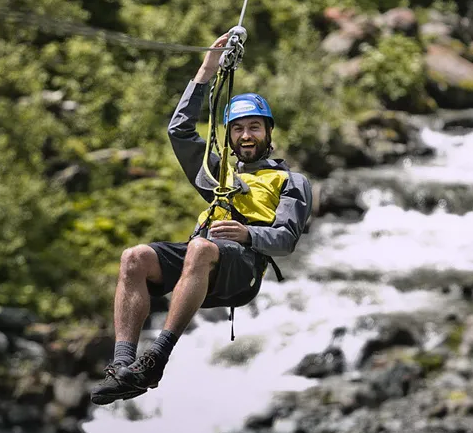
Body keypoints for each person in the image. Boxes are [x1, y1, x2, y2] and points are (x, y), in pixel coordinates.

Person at [89, 31, 313, 405]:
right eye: (238, 128)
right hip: (203, 262)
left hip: (242, 270)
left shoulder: (291, 181)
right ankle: (123, 366)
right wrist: (206, 70)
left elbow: (286, 239)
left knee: (200, 249)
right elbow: (179, 131)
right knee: (134, 258)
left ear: (268, 132)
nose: (246, 135)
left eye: (254, 127)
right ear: (230, 135)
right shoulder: (218, 174)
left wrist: (247, 235)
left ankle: (155, 360)